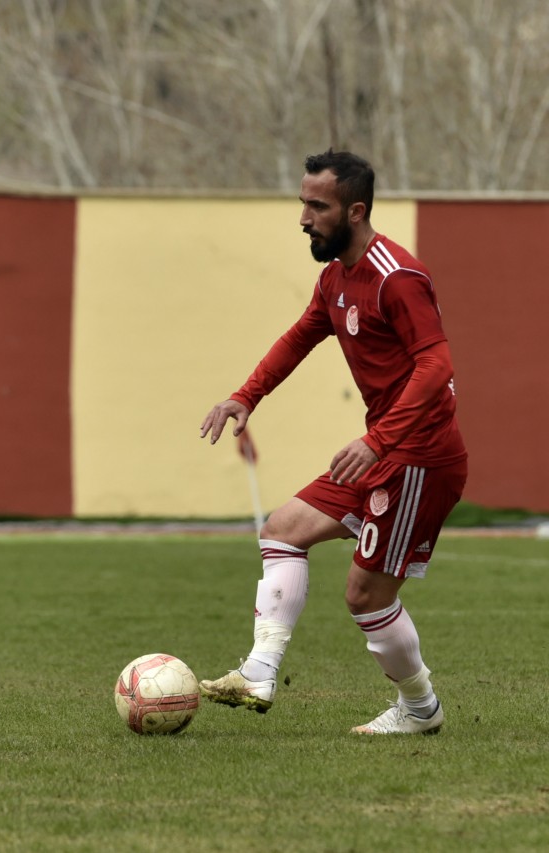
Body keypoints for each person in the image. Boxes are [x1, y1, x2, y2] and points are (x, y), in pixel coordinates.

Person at [198, 149, 467, 735]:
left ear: (356, 210)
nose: (303, 217)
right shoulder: (335, 277)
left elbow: (436, 364)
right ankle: (258, 673)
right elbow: (299, 337)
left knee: (366, 597)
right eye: (303, 203)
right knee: (282, 530)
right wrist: (247, 395)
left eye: (317, 206)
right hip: (383, 451)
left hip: (419, 457)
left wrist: (378, 440)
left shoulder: (396, 277)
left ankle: (420, 710)